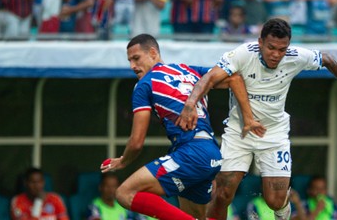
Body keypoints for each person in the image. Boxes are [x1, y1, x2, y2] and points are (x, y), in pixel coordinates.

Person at [178, 18, 337, 220]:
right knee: (222, 194)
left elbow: (328, 59)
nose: (276, 54)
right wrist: (190, 104)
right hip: (239, 132)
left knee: (275, 199)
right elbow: (210, 77)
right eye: (271, 47)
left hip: (274, 133)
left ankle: (283, 212)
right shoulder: (243, 54)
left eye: (282, 49)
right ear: (260, 42)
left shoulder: (295, 56)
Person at [100, 33, 252, 220]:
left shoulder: (144, 84)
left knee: (124, 193)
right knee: (195, 215)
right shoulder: (188, 70)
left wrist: (123, 160)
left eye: (136, 58)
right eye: (130, 60)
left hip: (191, 153)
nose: (132, 66)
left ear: (153, 52)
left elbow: (137, 141)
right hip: (212, 153)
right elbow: (234, 78)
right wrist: (249, 117)